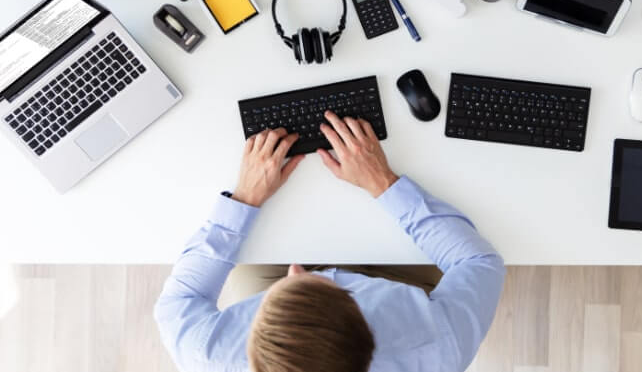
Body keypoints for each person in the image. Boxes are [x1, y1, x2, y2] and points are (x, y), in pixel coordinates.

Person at [155, 111, 505, 372]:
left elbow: (179, 300)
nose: (298, 268)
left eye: (292, 284)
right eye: (319, 283)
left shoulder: (211, 356)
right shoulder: (436, 348)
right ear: (364, 324)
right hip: (403, 285)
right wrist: (383, 182)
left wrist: (244, 199)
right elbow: (478, 263)